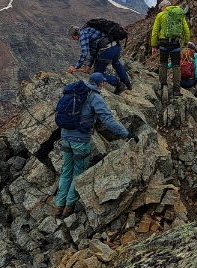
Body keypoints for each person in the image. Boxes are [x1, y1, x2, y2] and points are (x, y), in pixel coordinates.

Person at [54, 72, 137, 218]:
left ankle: (59, 205)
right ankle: (69, 207)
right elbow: (108, 120)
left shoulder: (75, 92)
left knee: (66, 170)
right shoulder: (95, 97)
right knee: (78, 173)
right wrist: (126, 134)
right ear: (101, 84)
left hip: (65, 137)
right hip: (80, 141)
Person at [69, 23, 131, 93]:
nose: (74, 39)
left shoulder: (82, 34)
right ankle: (128, 83)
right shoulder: (89, 30)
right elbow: (93, 52)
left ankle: (118, 83)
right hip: (116, 46)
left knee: (97, 74)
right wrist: (89, 66)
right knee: (116, 63)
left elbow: (84, 52)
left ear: (75, 34)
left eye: (73, 37)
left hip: (107, 50)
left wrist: (76, 67)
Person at [149, 0, 190, 97]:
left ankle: (163, 85)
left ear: (163, 6)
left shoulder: (160, 15)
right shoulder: (179, 14)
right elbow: (186, 29)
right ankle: (176, 90)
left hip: (164, 43)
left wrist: (154, 45)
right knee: (176, 66)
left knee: (163, 64)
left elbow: (155, 31)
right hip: (175, 43)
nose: (160, 9)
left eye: (160, 8)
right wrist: (185, 43)